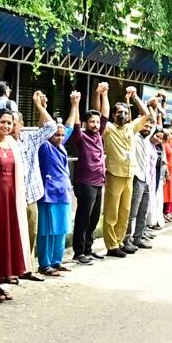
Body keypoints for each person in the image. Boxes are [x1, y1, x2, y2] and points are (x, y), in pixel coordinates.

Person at [0, 107, 34, 299]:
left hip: (10, 198)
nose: (6, 125)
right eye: (2, 122)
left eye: (9, 123)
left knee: (4, 238)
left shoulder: (13, 143)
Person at [99, 85, 151, 258]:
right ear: (114, 115)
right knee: (111, 212)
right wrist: (103, 95)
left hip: (130, 175)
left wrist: (135, 97)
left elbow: (146, 115)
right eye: (119, 113)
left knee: (125, 211)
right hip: (115, 174)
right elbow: (102, 115)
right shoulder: (108, 129)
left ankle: (120, 241)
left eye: (125, 113)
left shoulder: (130, 127)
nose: (123, 115)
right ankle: (112, 245)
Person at [27, 92, 72, 276]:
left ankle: (56, 260)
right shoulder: (44, 146)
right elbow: (44, 128)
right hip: (48, 194)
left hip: (63, 193)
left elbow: (69, 126)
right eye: (56, 135)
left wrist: (74, 105)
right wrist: (41, 108)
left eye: (62, 135)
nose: (59, 137)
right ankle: (45, 264)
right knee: (47, 231)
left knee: (61, 229)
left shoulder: (61, 146)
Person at [67, 93, 107, 265]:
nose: (96, 125)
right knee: (83, 218)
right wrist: (75, 104)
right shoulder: (81, 137)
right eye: (92, 121)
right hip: (85, 184)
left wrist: (104, 94)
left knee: (94, 218)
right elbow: (75, 126)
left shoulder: (98, 135)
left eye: (97, 122)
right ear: (85, 123)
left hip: (99, 183)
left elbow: (105, 114)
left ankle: (89, 249)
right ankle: (79, 252)